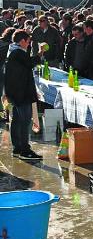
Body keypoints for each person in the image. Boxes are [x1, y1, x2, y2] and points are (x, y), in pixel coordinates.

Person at [4, 30, 45, 159]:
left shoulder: (13, 51)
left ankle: (17, 147)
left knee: (16, 120)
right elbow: (30, 62)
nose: (28, 44)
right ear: (22, 41)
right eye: (28, 41)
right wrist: (41, 52)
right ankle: (24, 150)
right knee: (24, 121)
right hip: (21, 92)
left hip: (15, 92)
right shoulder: (17, 52)